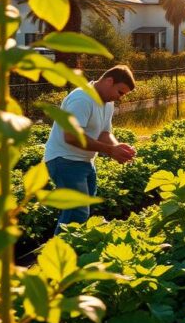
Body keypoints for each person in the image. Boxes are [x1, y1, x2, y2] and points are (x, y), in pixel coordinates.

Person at [44, 65, 137, 234]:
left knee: (80, 213)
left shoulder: (107, 103)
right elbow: (71, 136)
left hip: (84, 162)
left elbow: (104, 133)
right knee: (76, 213)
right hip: (64, 160)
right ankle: (57, 256)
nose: (120, 97)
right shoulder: (82, 98)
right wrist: (110, 150)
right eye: (120, 92)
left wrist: (117, 147)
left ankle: (70, 254)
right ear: (109, 81)